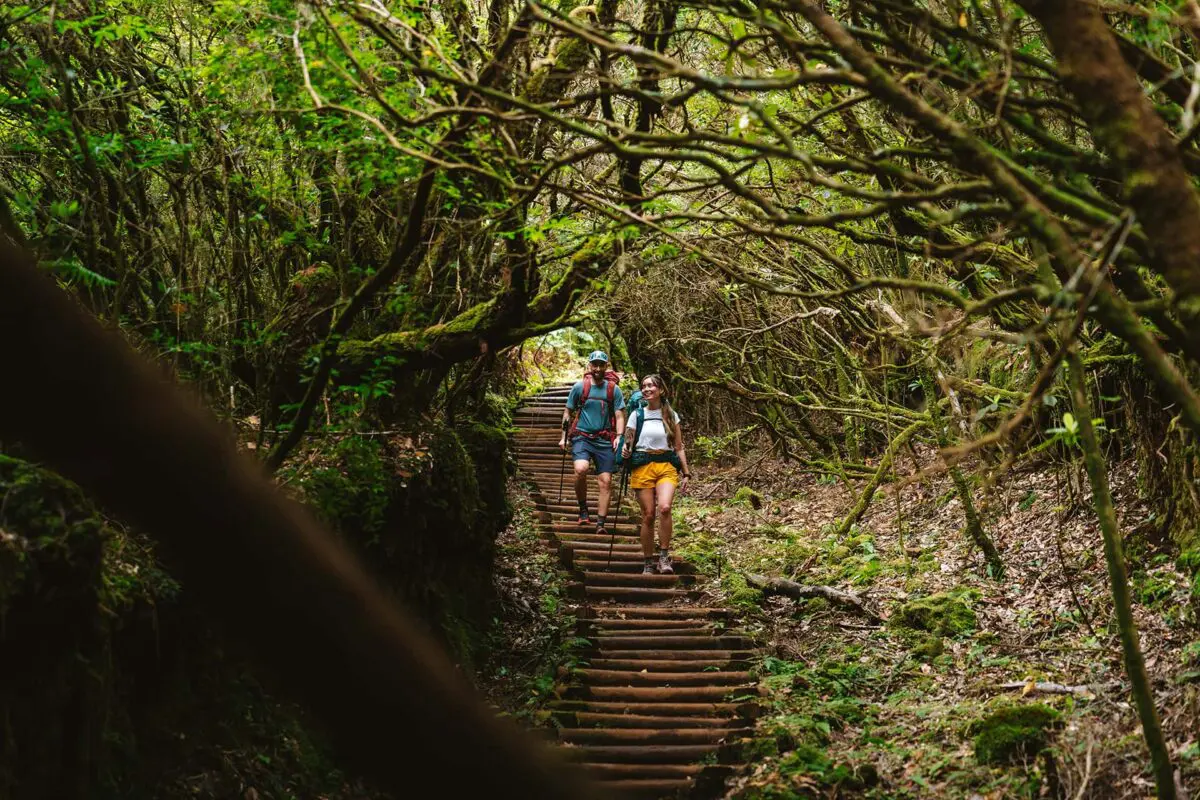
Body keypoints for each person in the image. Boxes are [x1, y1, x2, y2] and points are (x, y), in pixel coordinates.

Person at [620, 374, 691, 575]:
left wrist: (686, 473)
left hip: (666, 465)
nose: (646, 389)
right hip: (642, 465)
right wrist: (625, 451)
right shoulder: (636, 415)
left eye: (651, 385)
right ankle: (648, 562)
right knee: (649, 515)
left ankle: (664, 557)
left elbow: (678, 447)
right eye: (643, 386)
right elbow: (628, 443)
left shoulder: (671, 415)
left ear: (661, 390)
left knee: (665, 507)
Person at [559, 351, 626, 534]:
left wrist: (619, 436)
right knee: (580, 469)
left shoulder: (613, 389)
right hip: (582, 436)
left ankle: (601, 524)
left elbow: (620, 415)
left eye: (601, 364)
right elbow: (568, 412)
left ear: (606, 366)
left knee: (606, 480)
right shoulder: (580, 387)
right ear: (589, 366)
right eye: (594, 364)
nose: (597, 368)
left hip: (604, 439)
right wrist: (564, 436)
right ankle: (583, 510)